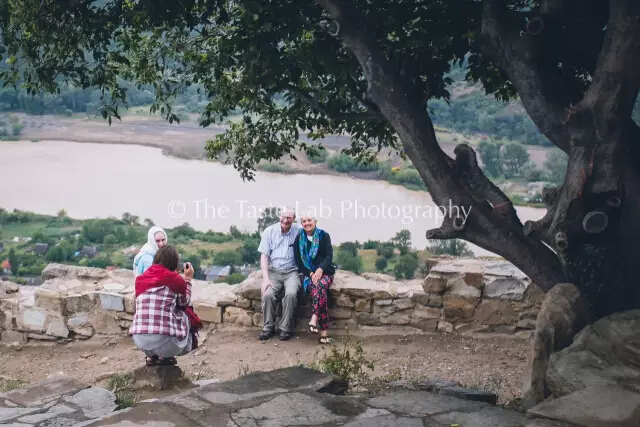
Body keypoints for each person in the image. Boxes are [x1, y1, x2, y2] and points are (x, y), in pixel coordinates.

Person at [129, 245, 199, 366]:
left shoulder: (141, 279)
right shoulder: (175, 279)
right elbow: (184, 303)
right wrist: (187, 279)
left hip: (141, 342)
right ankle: (166, 357)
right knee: (185, 313)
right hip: (167, 344)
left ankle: (151, 357)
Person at [258, 206, 302, 341]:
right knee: (268, 295)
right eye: (283, 216)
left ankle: (285, 328)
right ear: (279, 216)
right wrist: (265, 279)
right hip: (273, 271)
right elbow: (264, 256)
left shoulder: (299, 231)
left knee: (291, 294)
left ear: (294, 219)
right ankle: (268, 327)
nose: (285, 220)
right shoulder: (269, 231)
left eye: (289, 217)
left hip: (292, 271)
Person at [293, 213, 335, 344]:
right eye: (304, 221)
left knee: (319, 286)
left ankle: (314, 319)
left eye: (309, 220)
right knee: (319, 289)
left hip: (325, 272)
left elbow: (329, 256)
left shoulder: (324, 236)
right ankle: (323, 333)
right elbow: (299, 262)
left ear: (315, 221)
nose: (307, 223)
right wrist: (311, 274)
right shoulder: (299, 238)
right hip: (307, 275)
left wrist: (320, 270)